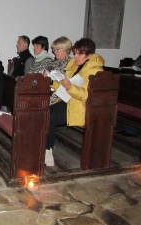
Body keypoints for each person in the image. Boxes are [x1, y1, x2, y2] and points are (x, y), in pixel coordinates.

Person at [45, 38, 104, 166]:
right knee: (45, 111)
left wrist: (69, 87)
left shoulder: (95, 71)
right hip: (69, 101)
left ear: (90, 55)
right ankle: (46, 147)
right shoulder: (75, 64)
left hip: (82, 107)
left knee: (49, 116)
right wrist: (51, 82)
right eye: (75, 53)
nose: (75, 56)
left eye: (79, 54)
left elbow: (86, 96)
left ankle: (47, 153)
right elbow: (65, 86)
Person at [44, 36, 73, 105]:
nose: (55, 52)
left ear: (66, 49)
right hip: (48, 91)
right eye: (54, 50)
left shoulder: (72, 64)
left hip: (61, 95)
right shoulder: (53, 62)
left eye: (57, 49)